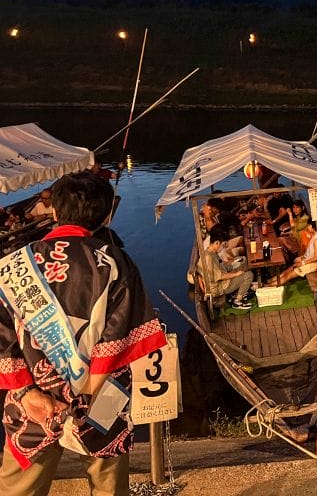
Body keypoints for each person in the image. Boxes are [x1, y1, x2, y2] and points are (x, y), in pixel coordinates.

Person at [0, 170, 167, 495]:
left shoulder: (14, 265)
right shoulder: (116, 263)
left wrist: (27, 392)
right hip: (100, 396)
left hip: (34, 403)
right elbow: (121, 336)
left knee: (19, 488)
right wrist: (88, 389)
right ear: (106, 214)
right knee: (107, 485)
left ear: (55, 212)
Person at [202, 225, 253, 309]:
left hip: (222, 280)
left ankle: (240, 290)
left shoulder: (211, 252)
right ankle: (237, 301)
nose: (223, 247)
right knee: (249, 275)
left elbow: (221, 264)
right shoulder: (209, 258)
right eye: (222, 245)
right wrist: (236, 274)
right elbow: (220, 276)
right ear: (217, 243)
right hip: (219, 287)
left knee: (242, 262)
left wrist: (231, 265)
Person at [268, 222, 317, 296]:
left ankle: (268, 286)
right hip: (307, 260)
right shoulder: (315, 236)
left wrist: (302, 263)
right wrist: (302, 258)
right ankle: (270, 281)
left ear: (312, 226)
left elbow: (315, 258)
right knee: (289, 269)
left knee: (289, 275)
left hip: (311, 264)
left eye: (309, 225)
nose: (308, 227)